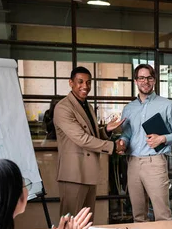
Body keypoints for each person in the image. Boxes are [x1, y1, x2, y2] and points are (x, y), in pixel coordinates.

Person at [117, 64, 172, 222]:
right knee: (138, 215)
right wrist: (122, 142)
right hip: (133, 163)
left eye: (149, 77)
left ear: (154, 80)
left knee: (162, 214)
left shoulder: (167, 105)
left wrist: (163, 138)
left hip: (155, 162)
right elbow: (128, 133)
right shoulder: (129, 108)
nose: (146, 81)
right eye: (141, 78)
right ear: (136, 81)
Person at [54, 66, 125, 220]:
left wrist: (106, 130)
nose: (85, 86)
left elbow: (90, 134)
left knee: (86, 224)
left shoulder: (87, 106)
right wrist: (113, 146)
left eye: (88, 82)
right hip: (73, 174)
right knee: (70, 224)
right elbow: (81, 138)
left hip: (89, 172)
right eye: (80, 82)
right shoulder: (63, 108)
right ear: (71, 83)